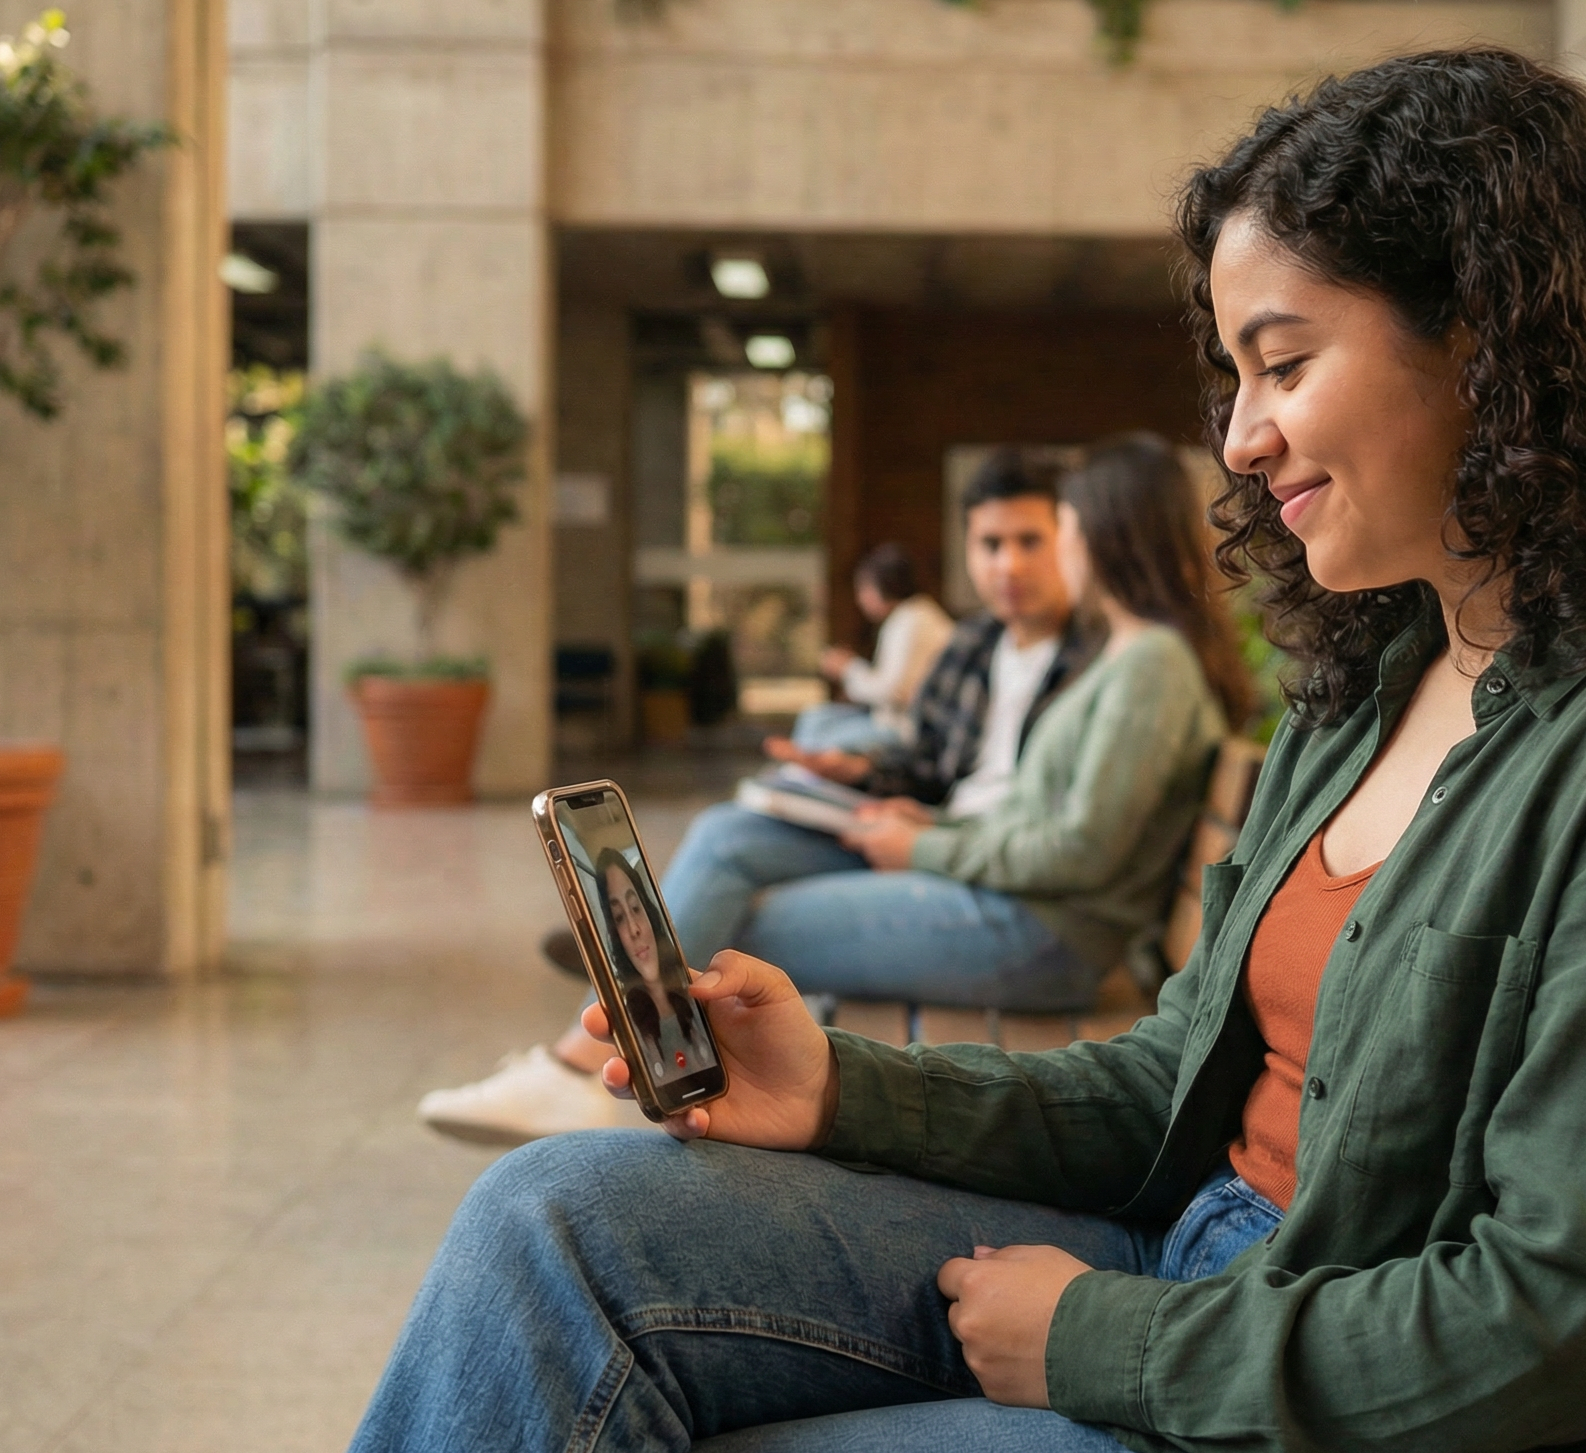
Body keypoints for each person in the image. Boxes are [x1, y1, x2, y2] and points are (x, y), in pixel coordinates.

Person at [270, 48, 1586, 1453]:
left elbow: (1554, 1331)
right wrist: (836, 1084)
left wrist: (1104, 1343)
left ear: (1494, 339)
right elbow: (1164, 1079)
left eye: (1286, 360)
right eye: (1232, 378)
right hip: (1217, 1284)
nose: (1241, 439)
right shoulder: (1384, 669)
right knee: (551, 1221)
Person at [416, 449, 1098, 1145]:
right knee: (726, 831)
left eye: (1029, 542)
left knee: (727, 926)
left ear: (1071, 540)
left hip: (972, 870)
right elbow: (929, 760)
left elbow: (1061, 834)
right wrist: (852, 772)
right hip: (926, 831)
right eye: (991, 545)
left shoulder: (1097, 664)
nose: (1008, 565)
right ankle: (603, 1018)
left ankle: (585, 1054)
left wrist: (925, 833)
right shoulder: (979, 643)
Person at [671, 433, 1247, 1012]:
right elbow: (1043, 821)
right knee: (724, 892)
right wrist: (936, 830)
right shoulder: (1135, 654)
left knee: (734, 937)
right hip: (1017, 909)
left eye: (1059, 529)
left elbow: (1081, 850)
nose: (1052, 550)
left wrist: (924, 849)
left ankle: (635, 1036)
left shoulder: (1151, 662)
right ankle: (632, 1031)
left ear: (1103, 536)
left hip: (1040, 936)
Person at [788, 543, 955, 755]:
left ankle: (805, 780)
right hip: (892, 721)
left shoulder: (911, 621)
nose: (860, 599)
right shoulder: (912, 615)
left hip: (904, 730)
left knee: (816, 736)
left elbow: (892, 691)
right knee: (814, 718)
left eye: (863, 589)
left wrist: (847, 668)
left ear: (881, 586)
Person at [592, 848, 712, 1083]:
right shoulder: (629, 1024)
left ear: (650, 913)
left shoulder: (698, 998)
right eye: (619, 917)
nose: (635, 929)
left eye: (636, 908)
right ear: (614, 935)